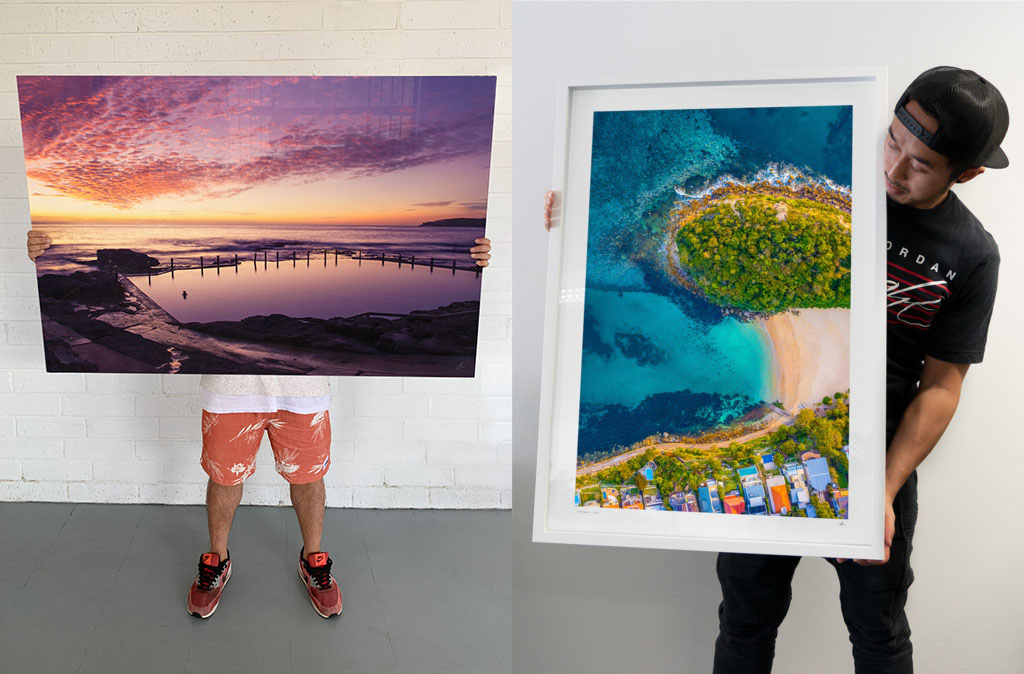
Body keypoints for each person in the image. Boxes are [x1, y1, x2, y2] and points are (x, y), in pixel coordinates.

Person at [543, 66, 1005, 673]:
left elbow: (943, 385)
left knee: (880, 633)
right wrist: (572, 221)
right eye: (891, 140)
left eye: (919, 164)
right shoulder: (845, 184)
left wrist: (882, 491)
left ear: (966, 174)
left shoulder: (972, 254)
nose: (893, 169)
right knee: (744, 625)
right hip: (802, 460)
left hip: (879, 466)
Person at [28, 234, 492, 619]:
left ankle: (313, 558)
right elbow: (59, 254)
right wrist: (44, 255)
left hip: (304, 394)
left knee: (309, 476)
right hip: (229, 392)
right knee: (223, 477)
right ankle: (218, 559)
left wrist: (478, 261)